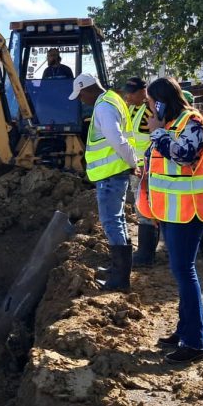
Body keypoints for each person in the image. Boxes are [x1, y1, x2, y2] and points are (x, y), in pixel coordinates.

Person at [137, 77, 203, 365]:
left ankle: (196, 343)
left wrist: (158, 134)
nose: (148, 108)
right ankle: (184, 331)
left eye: (150, 102)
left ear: (161, 101)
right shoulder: (171, 124)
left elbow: (185, 156)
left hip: (190, 210)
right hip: (172, 212)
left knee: (185, 272)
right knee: (181, 272)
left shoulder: (191, 120)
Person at [69, 72, 136, 291]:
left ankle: (120, 278)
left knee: (111, 222)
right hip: (115, 173)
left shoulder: (103, 107)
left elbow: (117, 138)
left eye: (81, 95)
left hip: (111, 175)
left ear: (88, 89)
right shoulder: (112, 99)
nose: (81, 100)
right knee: (118, 220)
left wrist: (132, 163)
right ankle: (120, 270)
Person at [122, 76, 160, 268]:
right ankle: (144, 252)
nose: (128, 96)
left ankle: (146, 255)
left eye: (132, 92)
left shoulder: (150, 111)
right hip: (135, 168)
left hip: (147, 167)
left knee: (147, 210)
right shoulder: (130, 109)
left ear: (143, 92)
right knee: (141, 209)